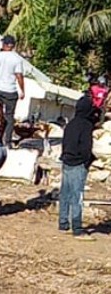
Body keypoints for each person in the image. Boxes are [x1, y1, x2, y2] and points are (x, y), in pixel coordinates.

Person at [59, 94, 97, 239]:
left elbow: (65, 143)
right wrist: (87, 161)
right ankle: (77, 228)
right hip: (78, 163)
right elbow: (86, 148)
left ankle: (63, 223)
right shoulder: (86, 125)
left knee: (65, 193)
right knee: (77, 196)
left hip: (66, 160)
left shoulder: (71, 124)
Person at [0, 35, 25, 147]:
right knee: (9, 116)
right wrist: (22, 90)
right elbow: (19, 75)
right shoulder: (17, 59)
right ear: (13, 46)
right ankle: (7, 141)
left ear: (4, 45)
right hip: (10, 90)